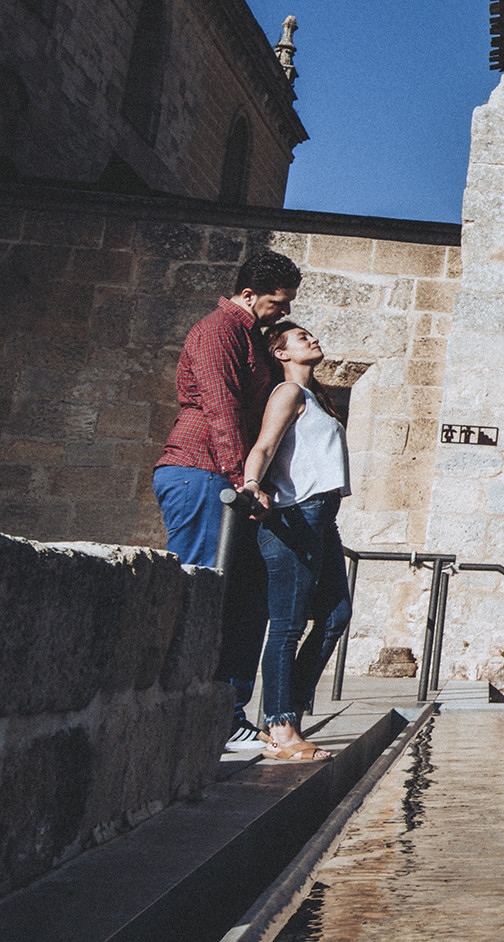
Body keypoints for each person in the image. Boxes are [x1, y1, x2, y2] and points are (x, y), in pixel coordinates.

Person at [154, 250, 301, 751]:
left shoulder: (247, 336)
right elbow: (219, 406)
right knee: (201, 589)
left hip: (222, 475)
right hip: (201, 471)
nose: (281, 313)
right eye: (277, 304)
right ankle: (183, 712)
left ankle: (227, 711)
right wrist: (242, 479)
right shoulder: (219, 329)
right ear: (247, 294)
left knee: (242, 594)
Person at [239, 321, 353, 761]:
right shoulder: (287, 394)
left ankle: (286, 715)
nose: (314, 339)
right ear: (280, 353)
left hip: (322, 519)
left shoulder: (315, 398)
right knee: (287, 625)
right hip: (294, 516)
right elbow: (265, 446)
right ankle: (280, 728)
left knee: (335, 615)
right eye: (302, 338)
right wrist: (252, 483)